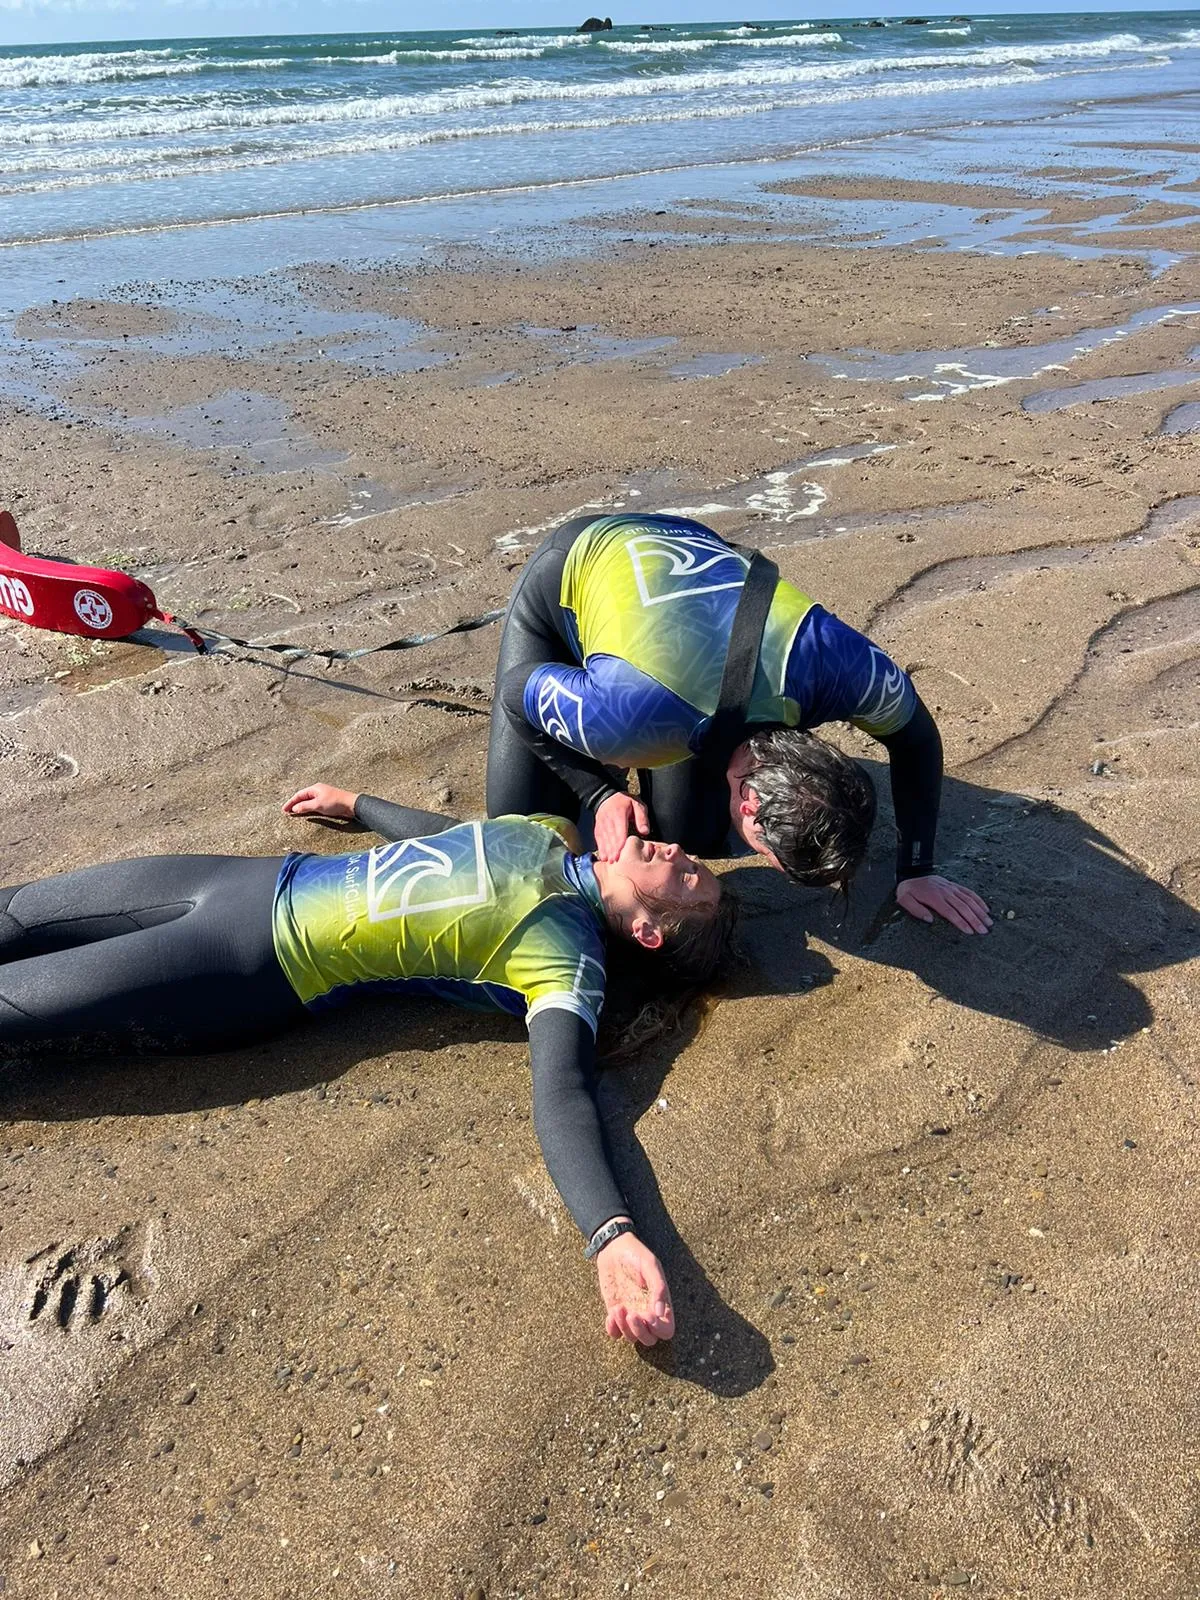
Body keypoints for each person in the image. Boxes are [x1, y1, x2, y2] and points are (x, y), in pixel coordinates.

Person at [0, 787, 735, 1348]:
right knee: (17, 913)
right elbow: (454, 842)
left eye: (691, 881)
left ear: (647, 932)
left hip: (245, 969)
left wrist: (611, 1234)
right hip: (247, 880)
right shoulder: (551, 834)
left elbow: (564, 1096)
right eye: (693, 859)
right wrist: (359, 802)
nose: (680, 855)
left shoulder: (567, 958)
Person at [487, 511, 991, 935]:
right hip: (577, 571)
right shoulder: (632, 722)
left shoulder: (849, 673)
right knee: (521, 834)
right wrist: (599, 793)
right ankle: (588, 697)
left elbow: (917, 739)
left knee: (694, 834)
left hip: (688, 636)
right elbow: (515, 693)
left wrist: (918, 868)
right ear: (749, 807)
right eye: (769, 858)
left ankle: (599, 700)